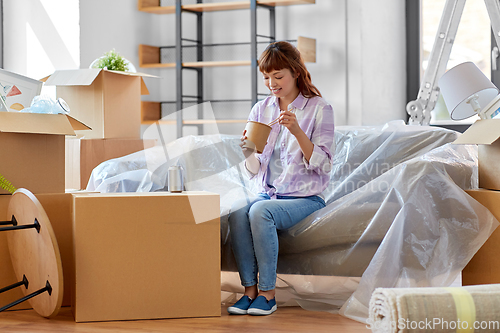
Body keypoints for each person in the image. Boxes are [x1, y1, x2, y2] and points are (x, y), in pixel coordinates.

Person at [227, 41, 335, 316]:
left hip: (306, 198)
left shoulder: (319, 108)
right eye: (266, 77)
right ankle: (249, 291)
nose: (271, 83)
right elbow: (252, 171)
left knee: (261, 211)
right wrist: (248, 152)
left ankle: (268, 293)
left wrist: (298, 132)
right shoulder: (261, 110)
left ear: (296, 72)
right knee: (239, 211)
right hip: (268, 193)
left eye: (278, 76)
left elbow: (323, 166)